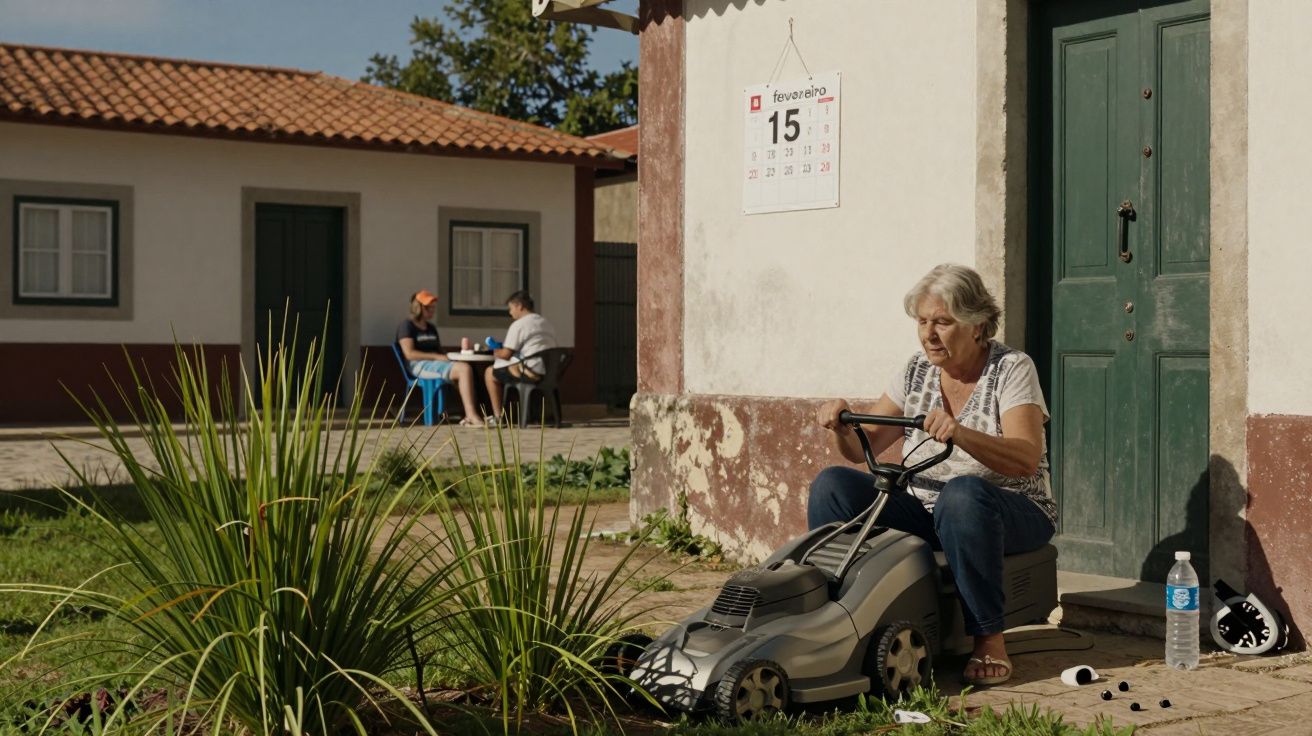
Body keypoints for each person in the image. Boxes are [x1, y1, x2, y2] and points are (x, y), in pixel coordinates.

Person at [808, 263, 1056, 687]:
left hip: (1011, 508)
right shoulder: (915, 370)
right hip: (927, 509)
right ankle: (830, 614)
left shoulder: (1012, 368)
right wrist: (841, 428)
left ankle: (989, 639)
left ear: (977, 325)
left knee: (961, 496)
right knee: (833, 486)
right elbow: (861, 447)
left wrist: (961, 434)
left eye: (942, 322)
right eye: (922, 322)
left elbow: (1025, 458)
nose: (928, 334)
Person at [396, 289, 484, 426]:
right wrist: (437, 357)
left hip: (435, 363)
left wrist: (448, 357)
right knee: (463, 370)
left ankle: (469, 413)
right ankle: (471, 415)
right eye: (428, 308)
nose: (432, 310)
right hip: (418, 365)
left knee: (468, 369)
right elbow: (409, 353)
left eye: (433, 308)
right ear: (418, 307)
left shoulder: (431, 328)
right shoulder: (407, 326)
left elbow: (439, 350)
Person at [483, 290, 557, 424]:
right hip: (549, 372)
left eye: (511, 308)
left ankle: (498, 417)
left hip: (529, 372)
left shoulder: (519, 325)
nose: (510, 313)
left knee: (490, 372)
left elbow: (506, 355)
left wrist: (495, 350)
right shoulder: (546, 323)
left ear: (519, 306)